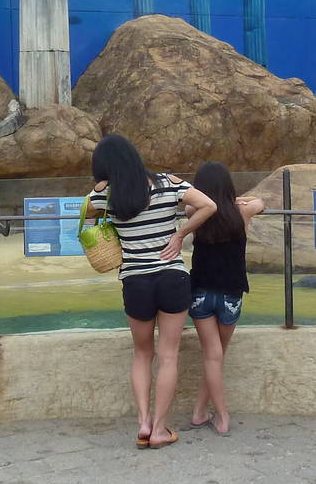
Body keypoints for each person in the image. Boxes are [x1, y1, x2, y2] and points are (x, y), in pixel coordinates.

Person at [88, 134, 216, 449]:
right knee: (168, 355)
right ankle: (160, 429)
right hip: (172, 277)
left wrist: (103, 188)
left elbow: (86, 213)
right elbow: (208, 205)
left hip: (135, 281)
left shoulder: (105, 194)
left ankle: (144, 423)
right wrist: (181, 235)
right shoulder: (169, 183)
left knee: (142, 353)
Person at [186, 161, 264, 436]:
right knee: (217, 356)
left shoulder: (196, 213)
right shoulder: (242, 213)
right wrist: (238, 200)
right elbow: (261, 202)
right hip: (231, 293)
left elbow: (188, 206)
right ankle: (222, 417)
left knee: (212, 356)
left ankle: (199, 412)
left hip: (200, 293)